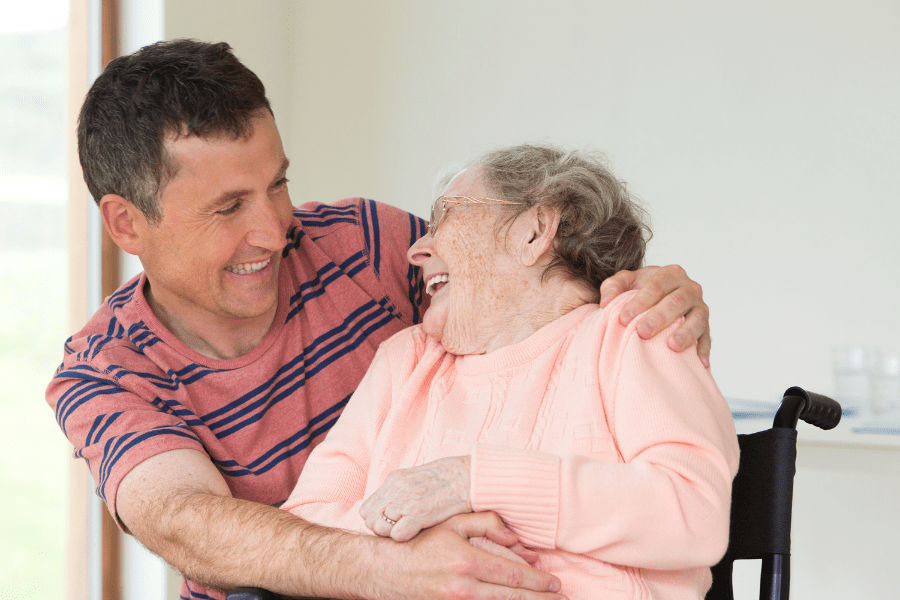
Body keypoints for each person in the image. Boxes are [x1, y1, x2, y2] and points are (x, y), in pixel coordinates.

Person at [47, 39, 713, 600]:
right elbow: (188, 524)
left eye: (277, 184)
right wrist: (398, 566)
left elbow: (524, 285)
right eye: (228, 209)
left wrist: (645, 295)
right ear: (126, 223)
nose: (274, 230)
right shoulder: (105, 370)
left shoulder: (366, 244)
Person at [283, 144, 740, 600]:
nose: (417, 250)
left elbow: (694, 511)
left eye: (444, 217)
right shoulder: (405, 359)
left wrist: (472, 483)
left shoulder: (633, 330)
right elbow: (306, 527)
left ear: (534, 232)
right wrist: (419, 553)